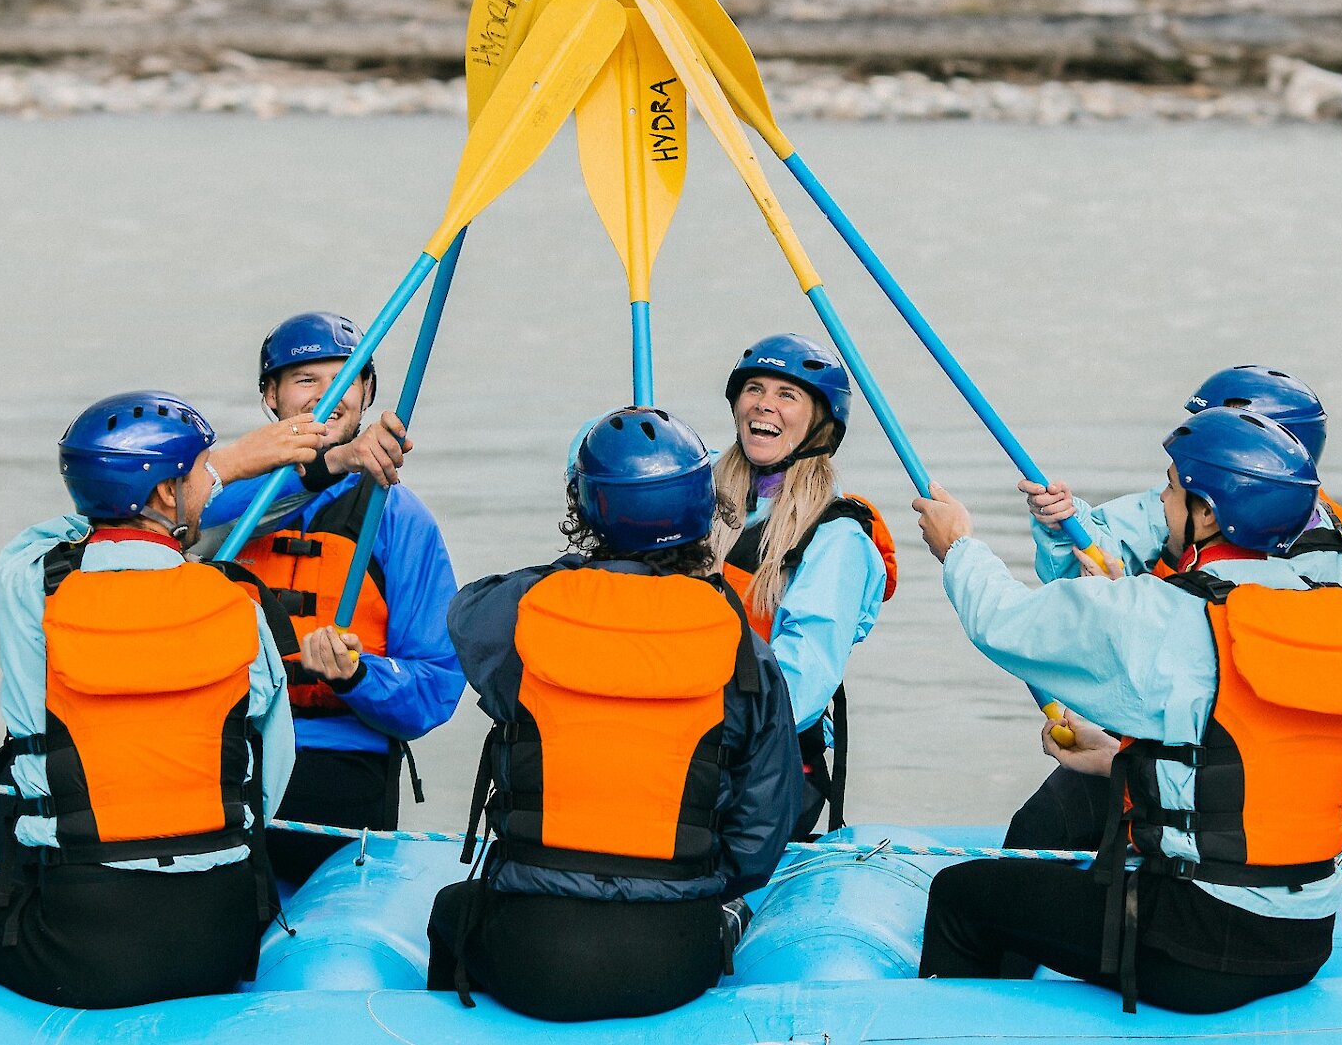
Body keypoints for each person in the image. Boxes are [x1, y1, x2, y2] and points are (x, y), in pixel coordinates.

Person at [910, 407, 1342, 1014]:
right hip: (1302, 936)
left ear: (1209, 514)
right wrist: (1115, 758)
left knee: (962, 897)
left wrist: (958, 547)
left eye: (1172, 487)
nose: (1161, 502)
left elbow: (1003, 623)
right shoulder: (1330, 611)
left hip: (1195, 943)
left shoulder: (1169, 614)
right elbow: (1238, 753)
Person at [0, 390, 315, 1008]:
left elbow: (48, 537)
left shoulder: (29, 589)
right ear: (167, 493)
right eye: (202, 469)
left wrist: (198, 475)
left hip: (89, 947)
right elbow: (271, 774)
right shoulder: (241, 604)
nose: (211, 481)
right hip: (222, 934)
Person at [430, 406, 802, 1022]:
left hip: (535, 954)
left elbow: (466, 615)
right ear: (702, 510)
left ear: (586, 508)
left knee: (452, 908)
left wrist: (587, 569)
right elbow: (761, 836)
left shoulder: (525, 610)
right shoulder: (742, 647)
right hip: (673, 958)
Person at [1007, 366, 1342, 856]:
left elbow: (1220, 668)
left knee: (1055, 821)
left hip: (1223, 764)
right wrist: (1065, 521)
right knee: (1047, 819)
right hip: (1166, 727)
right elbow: (1108, 541)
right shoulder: (1198, 504)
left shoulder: (1318, 566)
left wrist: (1123, 605)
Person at [202, 311, 466, 885]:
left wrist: (357, 676)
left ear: (367, 392)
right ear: (270, 397)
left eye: (345, 379)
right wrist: (330, 463)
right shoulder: (216, 496)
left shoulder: (399, 518)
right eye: (306, 380)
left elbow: (435, 689)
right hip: (223, 757)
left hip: (341, 766)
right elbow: (193, 517)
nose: (329, 397)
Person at [713, 333, 895, 835]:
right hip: (681, 737)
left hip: (764, 761)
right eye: (754, 388)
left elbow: (803, 681)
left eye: (786, 395)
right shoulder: (694, 496)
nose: (763, 405)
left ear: (821, 422)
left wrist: (705, 735)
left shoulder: (835, 538)